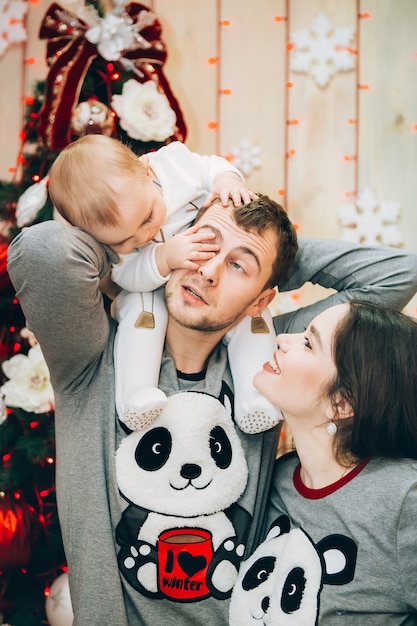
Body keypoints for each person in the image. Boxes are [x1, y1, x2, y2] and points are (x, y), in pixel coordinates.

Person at [7, 195, 417, 626]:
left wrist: (276, 253)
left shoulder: (266, 362)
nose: (207, 270)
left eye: (237, 266)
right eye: (204, 243)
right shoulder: (91, 354)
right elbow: (42, 249)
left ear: (261, 301)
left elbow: (398, 275)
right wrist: (154, 247)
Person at [48, 134, 283, 434]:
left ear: (147, 171)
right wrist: (162, 257)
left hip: (201, 282)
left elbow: (211, 167)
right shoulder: (119, 244)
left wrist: (226, 181)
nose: (142, 237)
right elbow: (126, 276)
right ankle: (136, 394)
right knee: (142, 307)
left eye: (147, 217)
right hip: (155, 290)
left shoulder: (173, 164)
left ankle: (257, 399)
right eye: (123, 240)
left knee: (255, 320)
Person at [230, 301, 417, 625]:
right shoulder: (276, 478)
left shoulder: (404, 499)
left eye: (307, 342)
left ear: (341, 403)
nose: (282, 339)